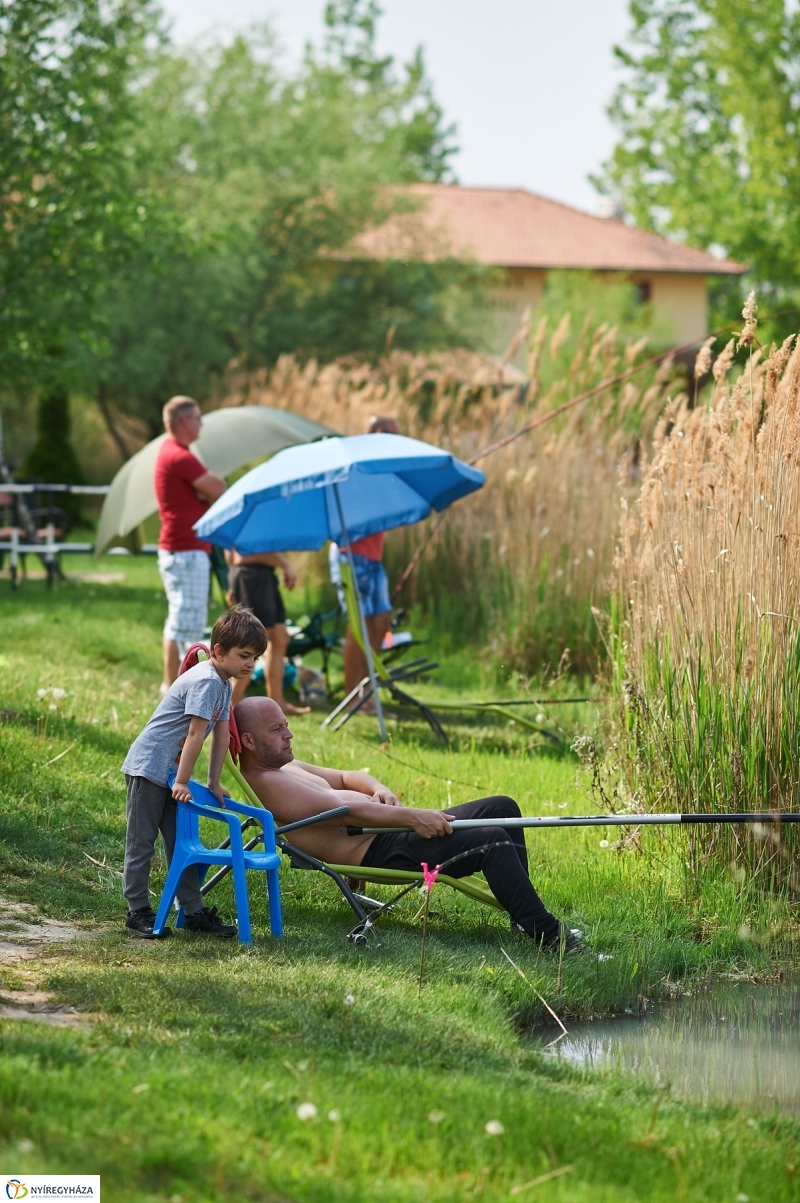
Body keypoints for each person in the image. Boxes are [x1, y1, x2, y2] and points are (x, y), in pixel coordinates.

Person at [233, 696, 586, 952]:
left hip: (390, 832)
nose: (289, 735)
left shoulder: (284, 767)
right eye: (277, 729)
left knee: (502, 807)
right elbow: (345, 812)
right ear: (249, 741)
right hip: (378, 851)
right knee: (491, 840)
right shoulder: (269, 785)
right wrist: (415, 816)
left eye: (287, 726)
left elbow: (344, 776)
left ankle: (520, 917)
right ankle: (550, 936)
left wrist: (379, 789)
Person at [121, 606, 267, 940]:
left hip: (170, 773)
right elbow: (196, 734)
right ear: (219, 651)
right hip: (149, 769)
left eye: (255, 658)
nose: (250, 664)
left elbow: (220, 735)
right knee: (141, 842)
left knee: (181, 842)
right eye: (244, 655)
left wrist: (214, 781)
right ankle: (137, 910)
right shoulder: (205, 681)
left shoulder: (224, 682)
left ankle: (193, 909)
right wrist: (184, 781)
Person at [154, 396, 228, 694]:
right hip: (185, 549)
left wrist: (204, 493)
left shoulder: (173, 452)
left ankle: (172, 684)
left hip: (182, 548)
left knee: (182, 617)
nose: (201, 422)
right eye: (197, 417)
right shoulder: (179, 455)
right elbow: (219, 489)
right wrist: (204, 492)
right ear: (182, 421)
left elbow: (211, 491)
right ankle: (174, 686)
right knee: (187, 620)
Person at [340, 414, 399, 703]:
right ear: (377, 432)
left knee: (380, 623)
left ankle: (368, 692)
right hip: (351, 555)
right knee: (359, 624)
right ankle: (353, 695)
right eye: (393, 434)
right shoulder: (357, 465)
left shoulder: (382, 469)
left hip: (374, 558)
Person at [225, 548, 310, 715]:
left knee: (280, 638)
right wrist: (285, 564)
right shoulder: (251, 522)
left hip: (264, 575)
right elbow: (248, 551)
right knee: (252, 642)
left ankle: (277, 702)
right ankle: (227, 706)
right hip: (252, 575)